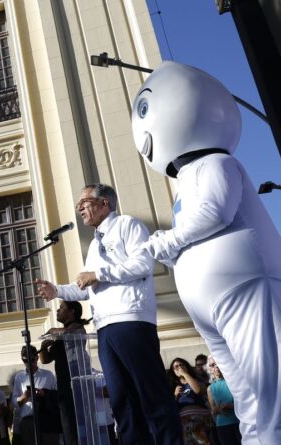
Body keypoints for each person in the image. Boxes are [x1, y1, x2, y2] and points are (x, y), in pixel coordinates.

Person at [132, 61, 281, 444]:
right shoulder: (185, 182)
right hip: (211, 305)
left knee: (268, 392)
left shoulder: (217, 162)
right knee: (246, 392)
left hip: (244, 289)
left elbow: (215, 212)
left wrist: (163, 243)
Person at [35, 183, 183, 444]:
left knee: (151, 394)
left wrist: (99, 274)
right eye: (78, 203)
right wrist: (57, 290)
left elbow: (142, 264)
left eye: (85, 201)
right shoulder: (94, 245)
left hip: (131, 320)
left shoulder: (128, 225)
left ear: (104, 203)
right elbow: (86, 287)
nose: (79, 207)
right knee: (121, 399)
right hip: (104, 328)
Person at [39, 300, 91, 445]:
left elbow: (72, 333)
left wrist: (52, 331)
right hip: (62, 384)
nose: (57, 310)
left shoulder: (77, 328)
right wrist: (43, 346)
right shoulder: (60, 335)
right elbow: (45, 360)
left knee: (76, 424)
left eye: (61, 308)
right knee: (67, 425)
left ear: (72, 311)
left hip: (75, 383)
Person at [10, 347, 58, 445]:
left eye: (31, 359)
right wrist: (24, 396)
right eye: (25, 360)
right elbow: (14, 402)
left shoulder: (48, 375)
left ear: (37, 358)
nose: (29, 363)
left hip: (47, 419)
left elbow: (57, 396)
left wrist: (44, 393)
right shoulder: (19, 377)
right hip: (28, 420)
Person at [169, 358, 213, 445]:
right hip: (184, 422)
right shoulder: (173, 386)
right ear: (173, 372)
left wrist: (184, 374)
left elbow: (198, 390)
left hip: (200, 419)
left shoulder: (196, 380)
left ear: (187, 367)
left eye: (181, 365)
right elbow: (170, 407)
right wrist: (175, 395)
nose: (179, 367)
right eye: (176, 367)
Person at [207, 357, 241, 445]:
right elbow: (213, 411)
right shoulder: (210, 388)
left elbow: (244, 403)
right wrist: (217, 409)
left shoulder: (234, 381)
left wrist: (230, 406)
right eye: (212, 365)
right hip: (223, 425)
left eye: (218, 363)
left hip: (239, 421)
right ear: (209, 369)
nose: (216, 367)